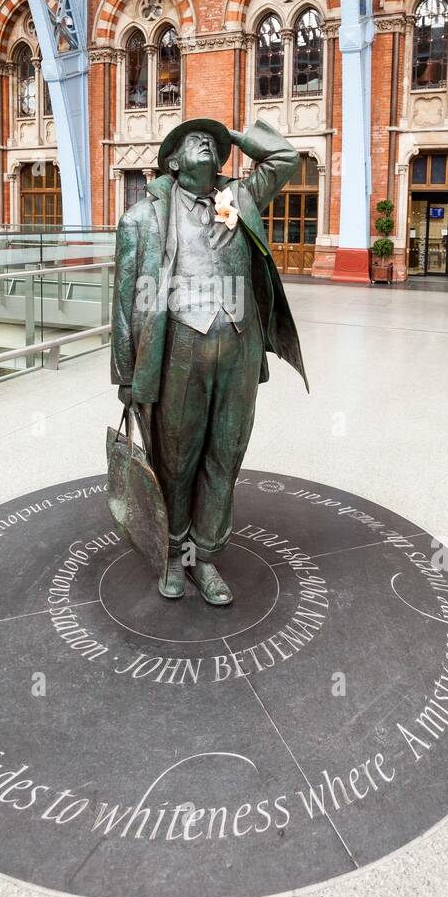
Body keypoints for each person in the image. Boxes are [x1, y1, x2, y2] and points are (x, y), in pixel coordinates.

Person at [110, 115, 308, 606]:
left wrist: (233, 137)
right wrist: (127, 376)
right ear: (172, 163)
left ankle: (207, 557)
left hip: (238, 348)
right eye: (191, 141)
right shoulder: (140, 220)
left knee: (225, 455)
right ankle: (173, 552)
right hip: (179, 350)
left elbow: (285, 158)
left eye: (212, 143)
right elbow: (123, 302)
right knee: (176, 461)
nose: (205, 144)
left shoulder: (237, 198)